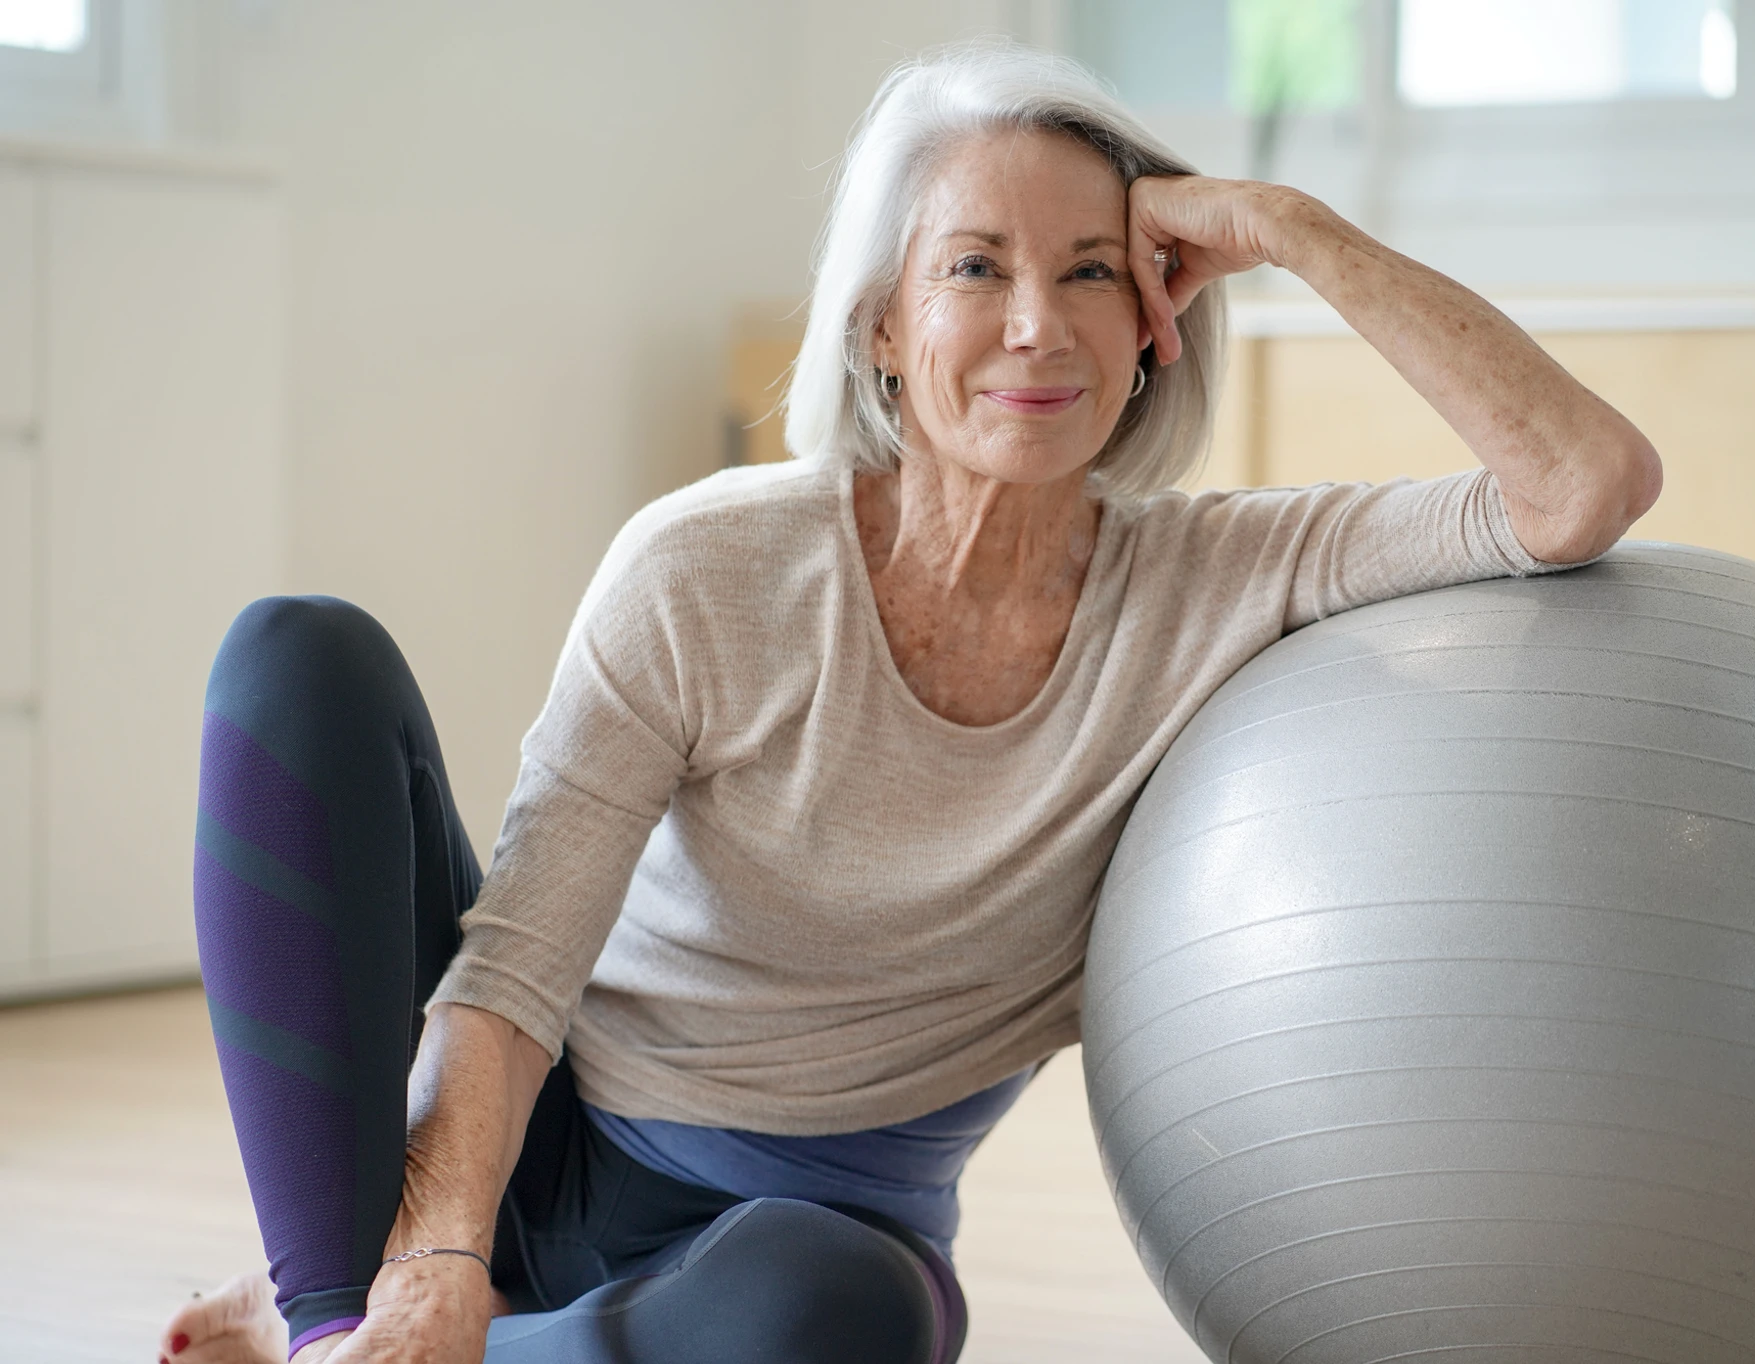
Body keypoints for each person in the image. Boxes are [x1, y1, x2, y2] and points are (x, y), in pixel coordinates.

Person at [162, 39, 1661, 1364]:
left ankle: (434, 1343)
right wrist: (439, 1252)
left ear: (1155, 325)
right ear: (881, 322)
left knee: (835, 1312)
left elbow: (1580, 485)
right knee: (300, 656)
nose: (1036, 324)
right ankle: (343, 1325)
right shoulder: (710, 566)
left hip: (799, 1244)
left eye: (1091, 269)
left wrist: (1290, 227)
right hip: (537, 1134)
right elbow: (516, 970)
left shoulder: (1225, 580)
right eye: (975, 267)